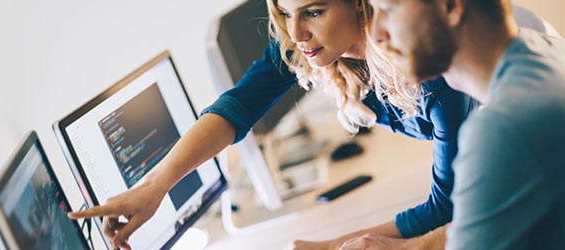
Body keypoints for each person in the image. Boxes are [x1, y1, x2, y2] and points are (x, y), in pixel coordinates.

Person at [67, 0, 549, 249]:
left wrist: (335, 246)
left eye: (314, 11)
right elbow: (237, 106)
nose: (295, 35)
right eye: (284, 13)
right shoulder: (313, 44)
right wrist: (155, 186)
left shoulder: (431, 59)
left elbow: (448, 210)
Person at [339, 0, 565, 249]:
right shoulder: (544, 48)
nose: (376, 34)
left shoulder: (503, 128)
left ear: (451, 6)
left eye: (388, 10)